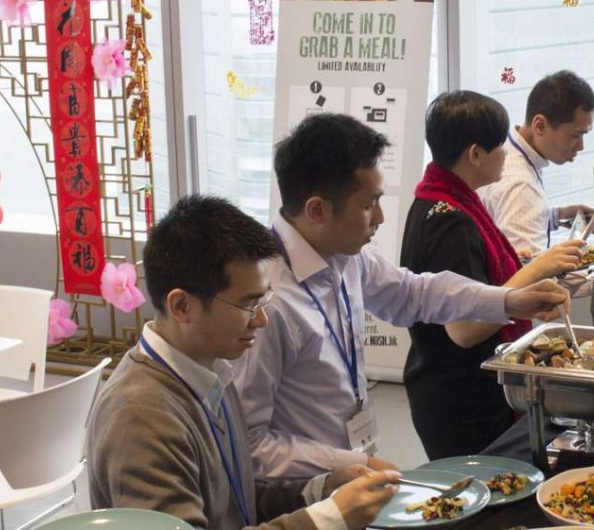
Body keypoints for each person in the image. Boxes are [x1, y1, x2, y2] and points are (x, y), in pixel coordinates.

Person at [233, 113, 569, 477]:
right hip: (302, 492)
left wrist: (508, 300)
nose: (379, 217)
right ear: (317, 210)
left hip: (351, 469)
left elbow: (413, 292)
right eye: (368, 204)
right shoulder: (267, 304)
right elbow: (248, 447)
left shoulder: (344, 256)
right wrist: (347, 464)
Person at [86, 195, 399, 530]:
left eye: (264, 300)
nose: (261, 320)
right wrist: (327, 519)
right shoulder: (141, 419)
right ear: (181, 307)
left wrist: (320, 489)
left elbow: (235, 502)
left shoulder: (209, 371)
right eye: (249, 304)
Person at [400, 91, 584, 459]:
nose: (506, 152)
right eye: (500, 144)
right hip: (462, 400)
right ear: (475, 154)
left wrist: (512, 266)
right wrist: (536, 269)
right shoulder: (450, 220)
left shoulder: (442, 200)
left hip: (452, 390)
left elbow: (472, 283)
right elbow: (464, 329)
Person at [479, 70, 594, 256]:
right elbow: (530, 275)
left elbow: (507, 222)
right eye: (576, 135)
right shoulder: (521, 187)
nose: (580, 146)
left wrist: (557, 215)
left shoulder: (511, 149)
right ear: (540, 125)